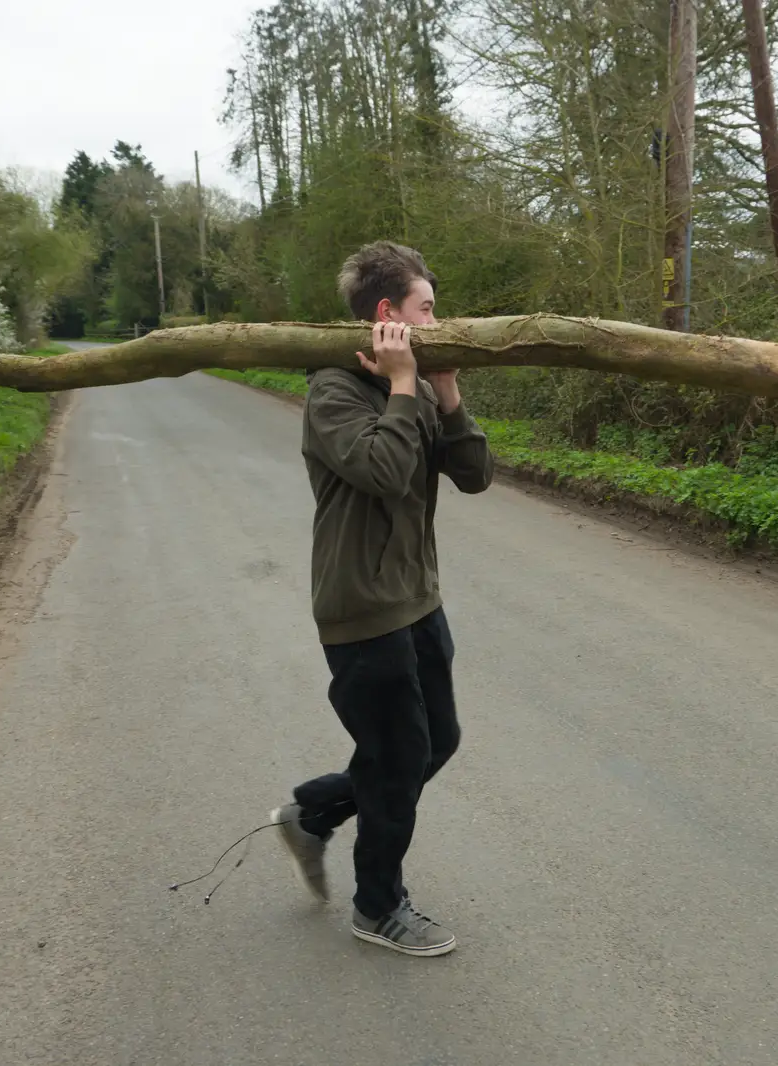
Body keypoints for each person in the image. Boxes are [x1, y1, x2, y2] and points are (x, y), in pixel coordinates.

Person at [269, 241, 495, 957]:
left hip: (418, 596)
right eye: (429, 310)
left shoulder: (420, 387)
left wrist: (447, 391)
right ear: (388, 315)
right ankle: (378, 906)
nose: (440, 321)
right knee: (398, 759)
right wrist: (403, 386)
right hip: (361, 607)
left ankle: (315, 810)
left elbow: (474, 476)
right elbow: (385, 471)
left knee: (438, 741)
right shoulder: (332, 391)